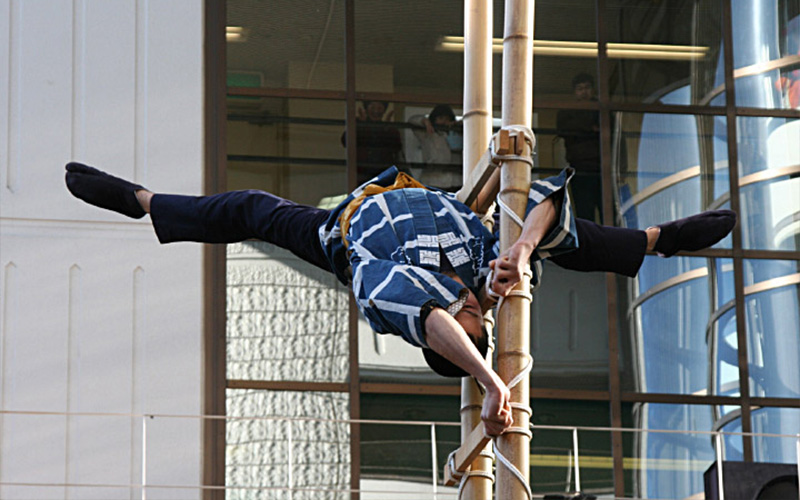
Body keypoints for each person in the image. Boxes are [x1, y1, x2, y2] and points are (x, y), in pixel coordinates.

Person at [64, 162, 736, 436]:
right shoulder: (488, 267)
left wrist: (488, 381)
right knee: (569, 242)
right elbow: (544, 202)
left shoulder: (400, 297)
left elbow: (431, 318)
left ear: (461, 329)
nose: (483, 313)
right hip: (437, 207)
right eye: (482, 322)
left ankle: (143, 202)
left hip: (351, 229)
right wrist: (521, 253)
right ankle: (656, 240)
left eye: (476, 324)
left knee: (253, 210)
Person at [556, 73, 603, 222]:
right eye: (580, 89)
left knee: (608, 213)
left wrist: (581, 130)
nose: (584, 92)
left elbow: (611, 133)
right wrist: (590, 128)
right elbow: (564, 130)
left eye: (587, 88)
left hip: (603, 169)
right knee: (584, 213)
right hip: (579, 168)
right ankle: (589, 243)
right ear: (574, 92)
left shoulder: (602, 109)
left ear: (593, 90)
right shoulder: (567, 111)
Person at [340, 101, 403, 184]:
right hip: (362, 175)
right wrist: (360, 125)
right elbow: (345, 141)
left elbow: (397, 147)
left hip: (383, 175)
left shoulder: (388, 129)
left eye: (379, 108)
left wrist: (389, 128)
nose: (376, 111)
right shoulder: (359, 126)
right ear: (366, 109)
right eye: (372, 107)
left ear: (384, 111)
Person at [407, 104, 462, 189]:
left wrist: (458, 126)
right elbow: (411, 120)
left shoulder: (456, 133)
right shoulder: (427, 134)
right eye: (441, 119)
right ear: (433, 119)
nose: (444, 122)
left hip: (455, 182)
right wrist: (425, 121)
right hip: (432, 180)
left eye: (447, 119)